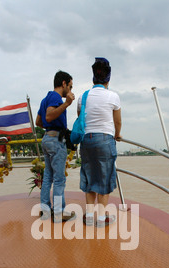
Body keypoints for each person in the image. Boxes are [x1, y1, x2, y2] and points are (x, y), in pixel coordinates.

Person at [78, 58, 122, 227]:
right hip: (105, 140)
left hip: (87, 140)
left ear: (93, 79)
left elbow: (80, 119)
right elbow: (117, 122)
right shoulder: (113, 96)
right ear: (108, 79)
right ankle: (102, 219)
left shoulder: (83, 97)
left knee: (89, 177)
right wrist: (117, 135)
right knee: (104, 179)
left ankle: (89, 217)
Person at [36, 70, 76, 223]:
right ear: (64, 83)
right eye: (70, 87)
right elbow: (48, 116)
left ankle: (46, 210)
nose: (71, 91)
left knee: (47, 177)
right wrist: (66, 104)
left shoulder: (45, 98)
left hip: (47, 138)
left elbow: (39, 122)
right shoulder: (55, 97)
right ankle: (59, 212)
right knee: (59, 179)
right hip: (56, 140)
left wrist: (50, 124)